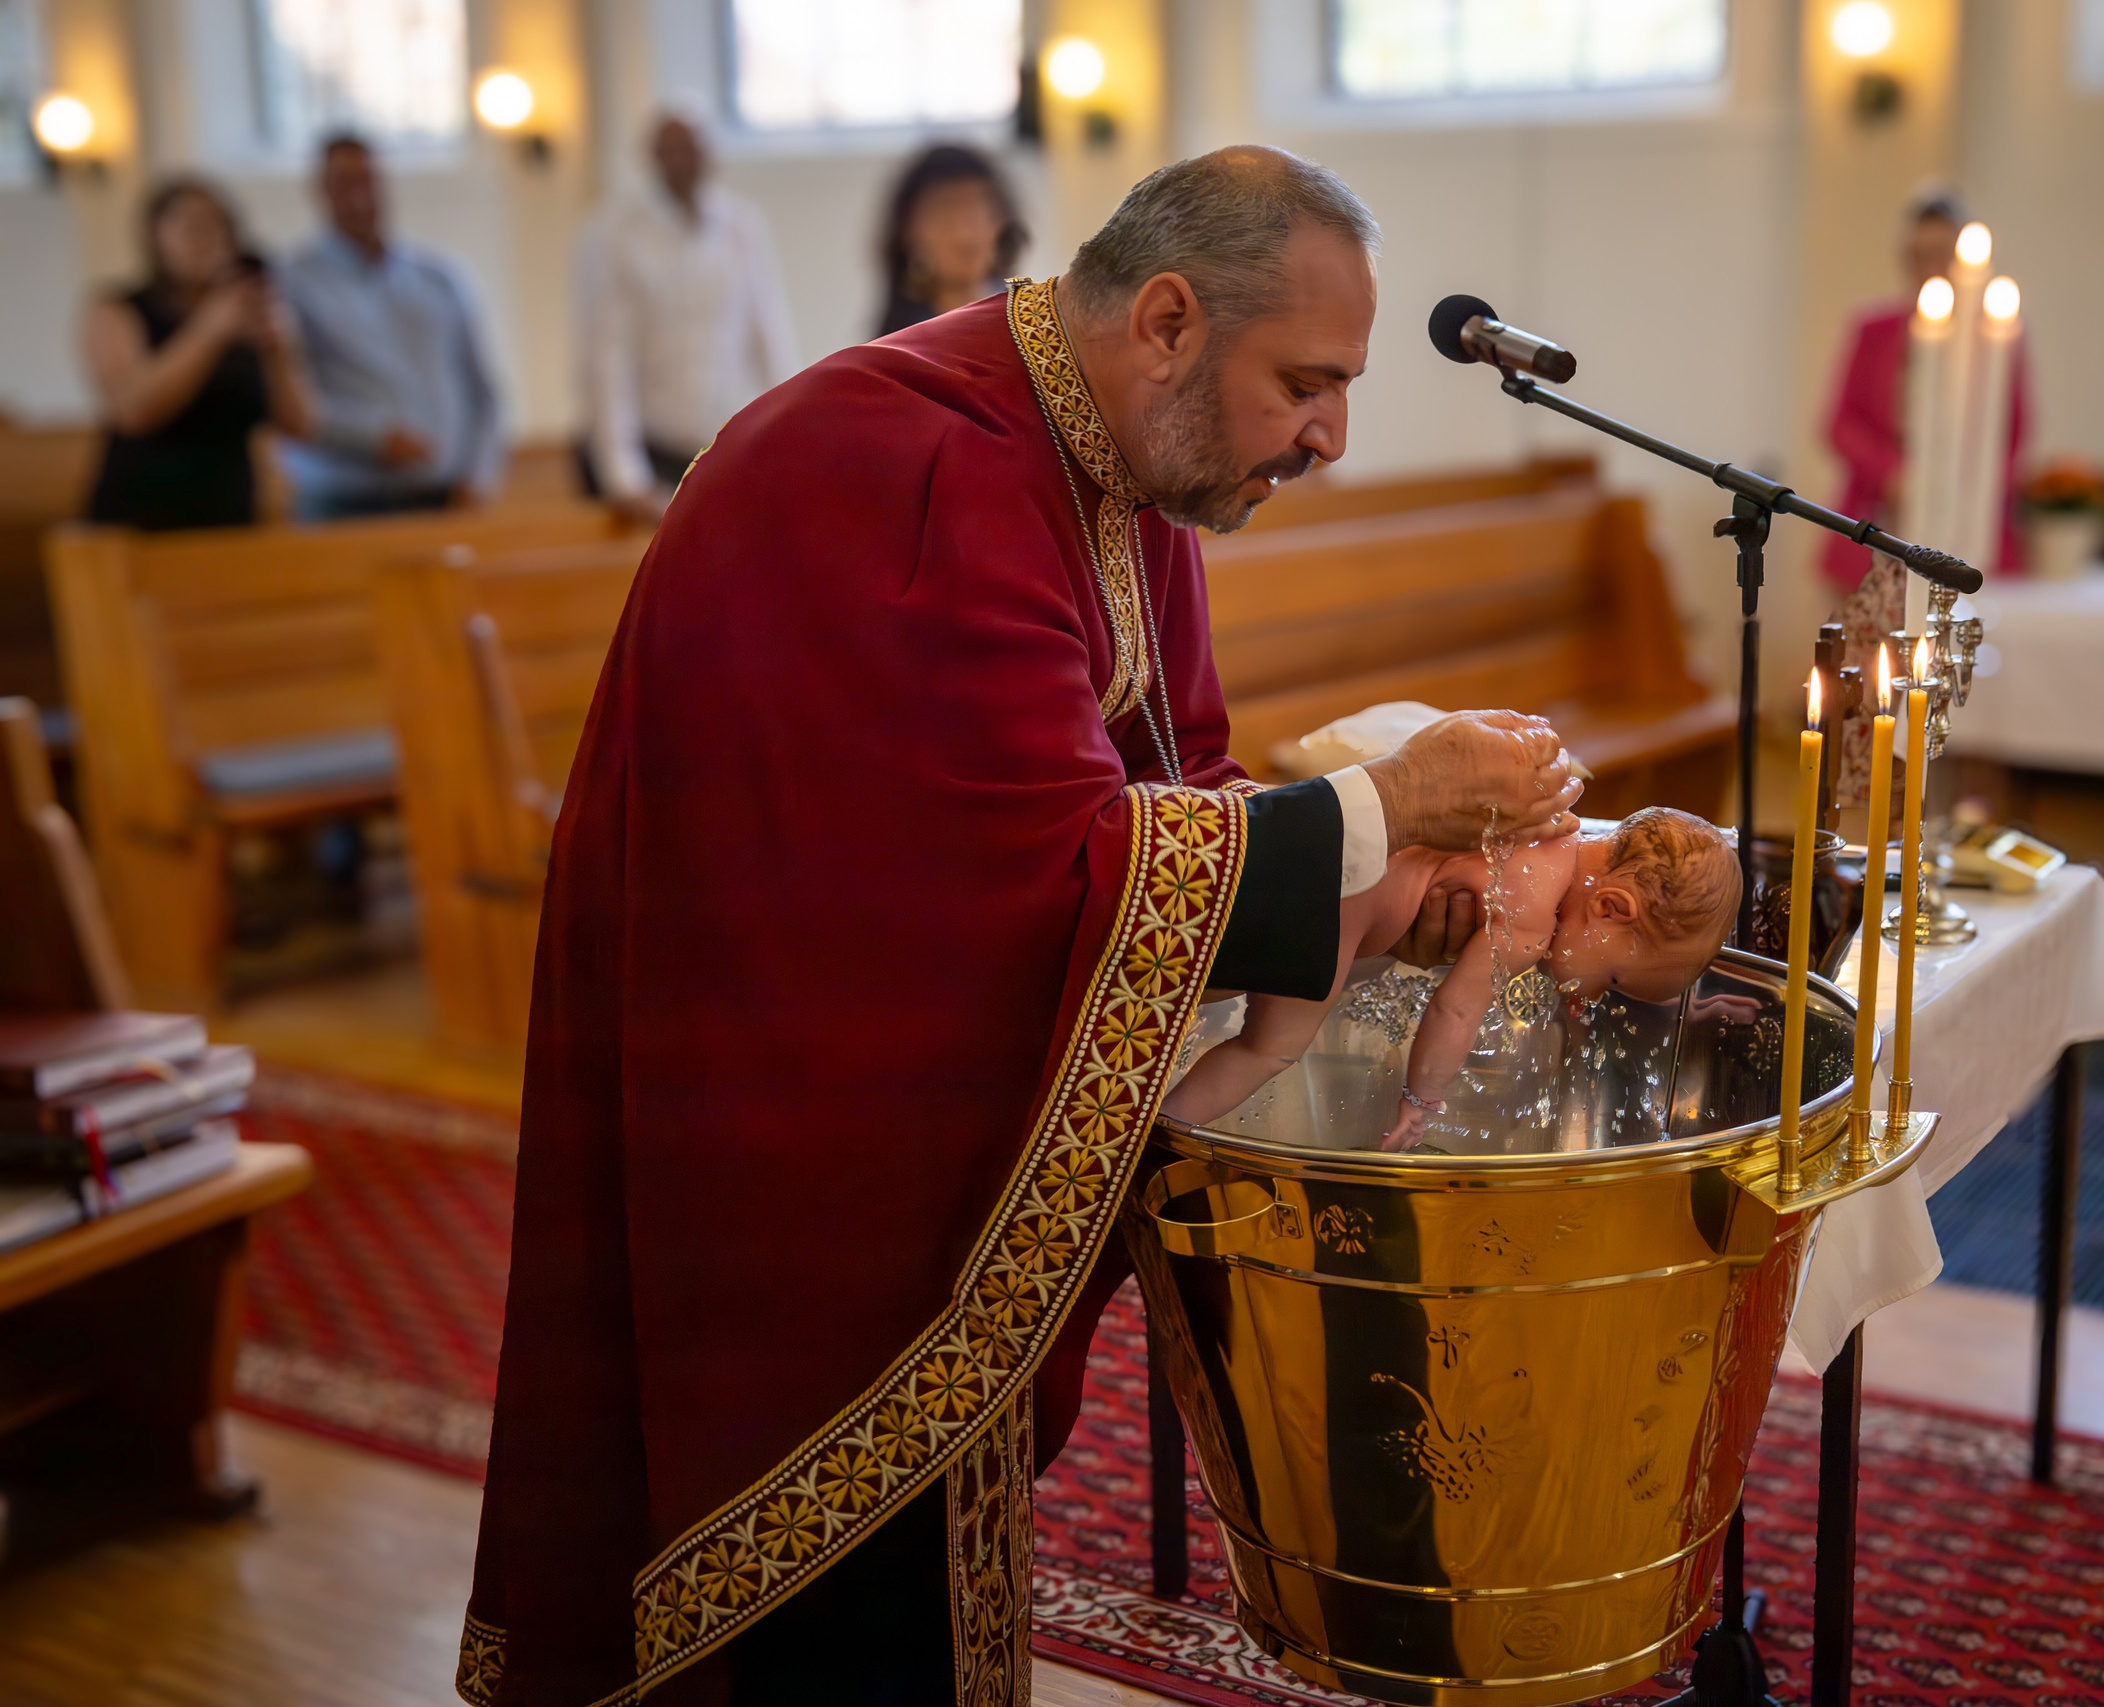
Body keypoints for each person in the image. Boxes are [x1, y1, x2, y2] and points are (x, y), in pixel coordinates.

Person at [459, 146, 1582, 1707]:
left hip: (899, 1104)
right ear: (1172, 322)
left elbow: (1177, 792)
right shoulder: (904, 460)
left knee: (933, 1586)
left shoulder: (1119, 472)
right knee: (827, 1634)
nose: (1332, 435)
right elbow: (1031, 865)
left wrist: (1385, 895)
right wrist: (1384, 806)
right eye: (1308, 384)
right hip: (787, 1148)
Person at [1164, 806, 1740, 1146]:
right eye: (1611, 982)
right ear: (1611, 908)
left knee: (1193, 978)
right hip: (1328, 910)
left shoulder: (1552, 834)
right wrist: (1421, 1098)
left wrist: (1677, 1010)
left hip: (1312, 849)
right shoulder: (1532, 915)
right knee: (1267, 1049)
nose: (1588, 998)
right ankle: (1161, 1136)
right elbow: (1455, 1009)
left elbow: (1581, 958)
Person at [576, 110, 797, 520]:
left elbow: (768, 337)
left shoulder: (742, 227)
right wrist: (626, 477)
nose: (686, 160)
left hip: (716, 445)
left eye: (695, 149)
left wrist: (791, 439)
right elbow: (606, 360)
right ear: (653, 156)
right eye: (674, 149)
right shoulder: (613, 234)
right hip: (648, 448)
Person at [278, 134, 506, 518]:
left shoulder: (440, 278)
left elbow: (482, 391)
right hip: (345, 504)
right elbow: (288, 403)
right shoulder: (290, 284)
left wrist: (478, 475)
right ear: (319, 191)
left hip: (443, 496)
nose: (358, 196)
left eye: (367, 180)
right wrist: (375, 439)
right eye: (342, 183)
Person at [1818, 188, 2032, 594]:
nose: (1929, 267)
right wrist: (1895, 477)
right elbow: (1840, 423)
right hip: (1881, 515)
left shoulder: (1996, 341)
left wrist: (1959, 490)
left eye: (1940, 253)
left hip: (1969, 524)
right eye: (1918, 255)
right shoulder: (1874, 329)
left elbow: (2014, 434)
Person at [82, 178, 317, 530]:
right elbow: (133, 410)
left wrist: (280, 348)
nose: (207, 238)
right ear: (154, 234)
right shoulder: (118, 309)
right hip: (139, 520)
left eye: (219, 224)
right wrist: (209, 330)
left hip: (231, 518)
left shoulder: (245, 313)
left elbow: (302, 426)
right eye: (191, 225)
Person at [875, 143, 1028, 338]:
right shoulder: (895, 347)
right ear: (909, 231)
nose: (963, 233)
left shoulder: (1033, 325)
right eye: (944, 212)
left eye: (977, 210)